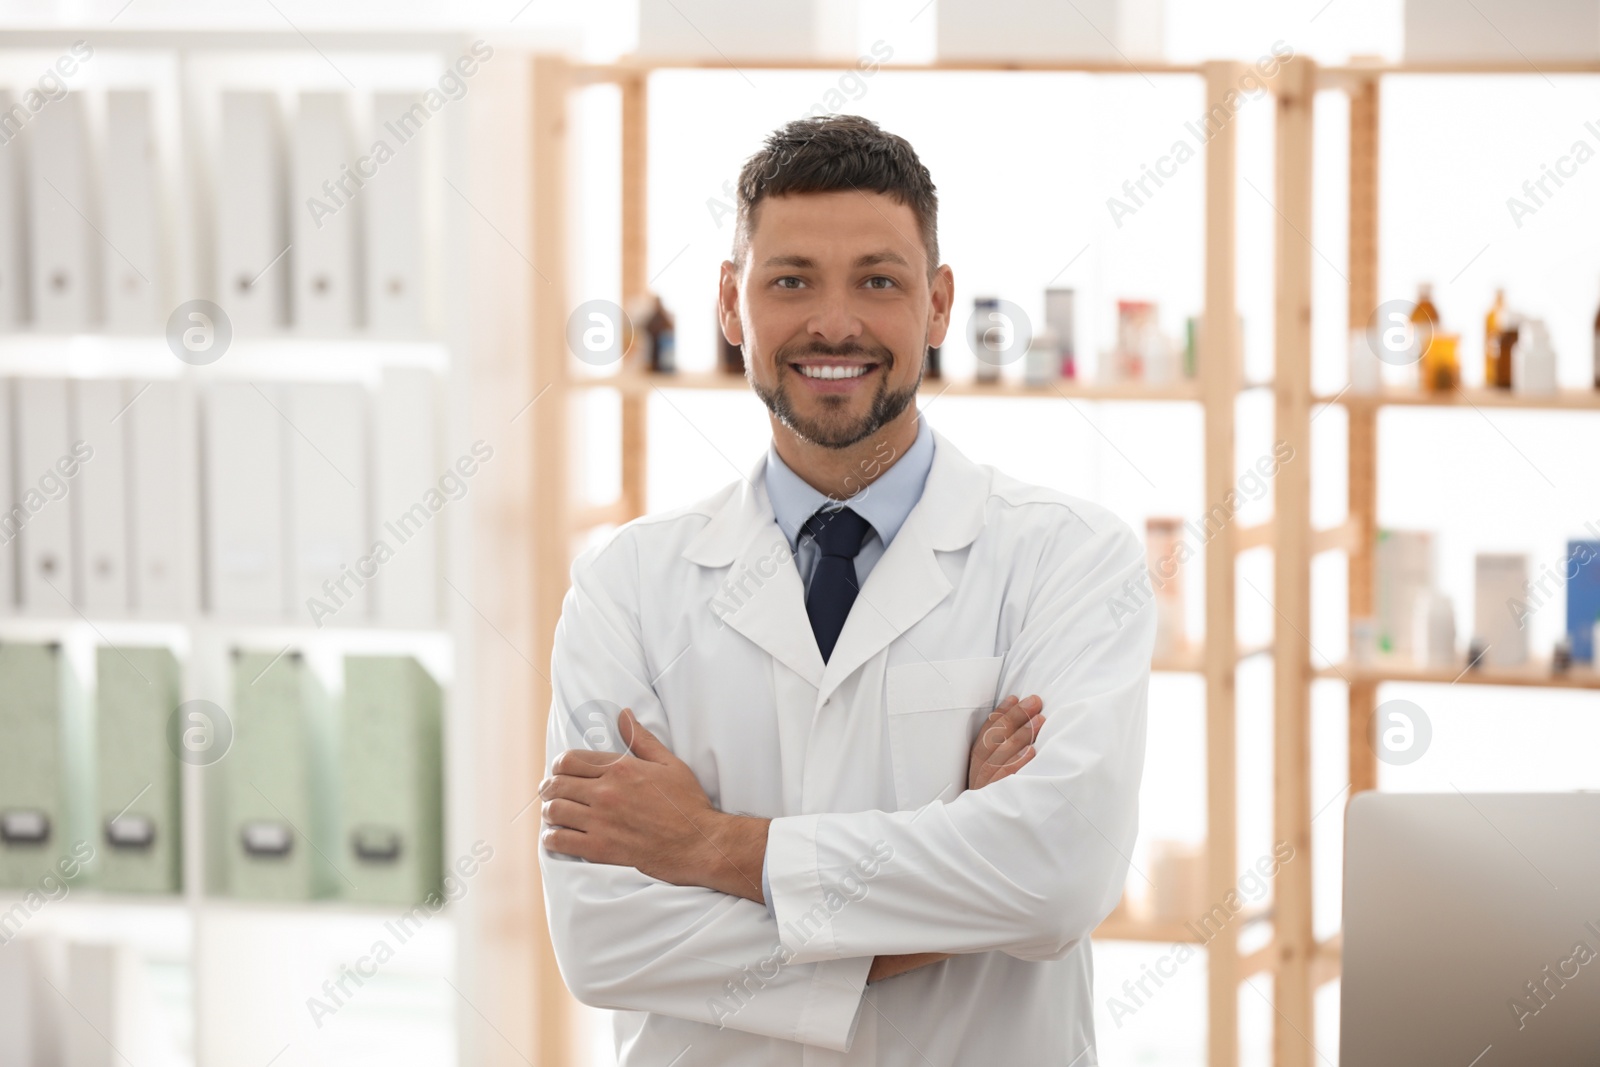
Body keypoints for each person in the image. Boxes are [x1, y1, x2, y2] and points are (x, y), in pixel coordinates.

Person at [538, 114, 1153, 1065]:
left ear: (938, 305)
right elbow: (603, 941)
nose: (835, 323)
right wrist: (954, 874)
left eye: (878, 280)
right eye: (791, 281)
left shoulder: (1070, 560)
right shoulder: (628, 586)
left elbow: (1058, 874)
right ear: (732, 305)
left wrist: (707, 847)